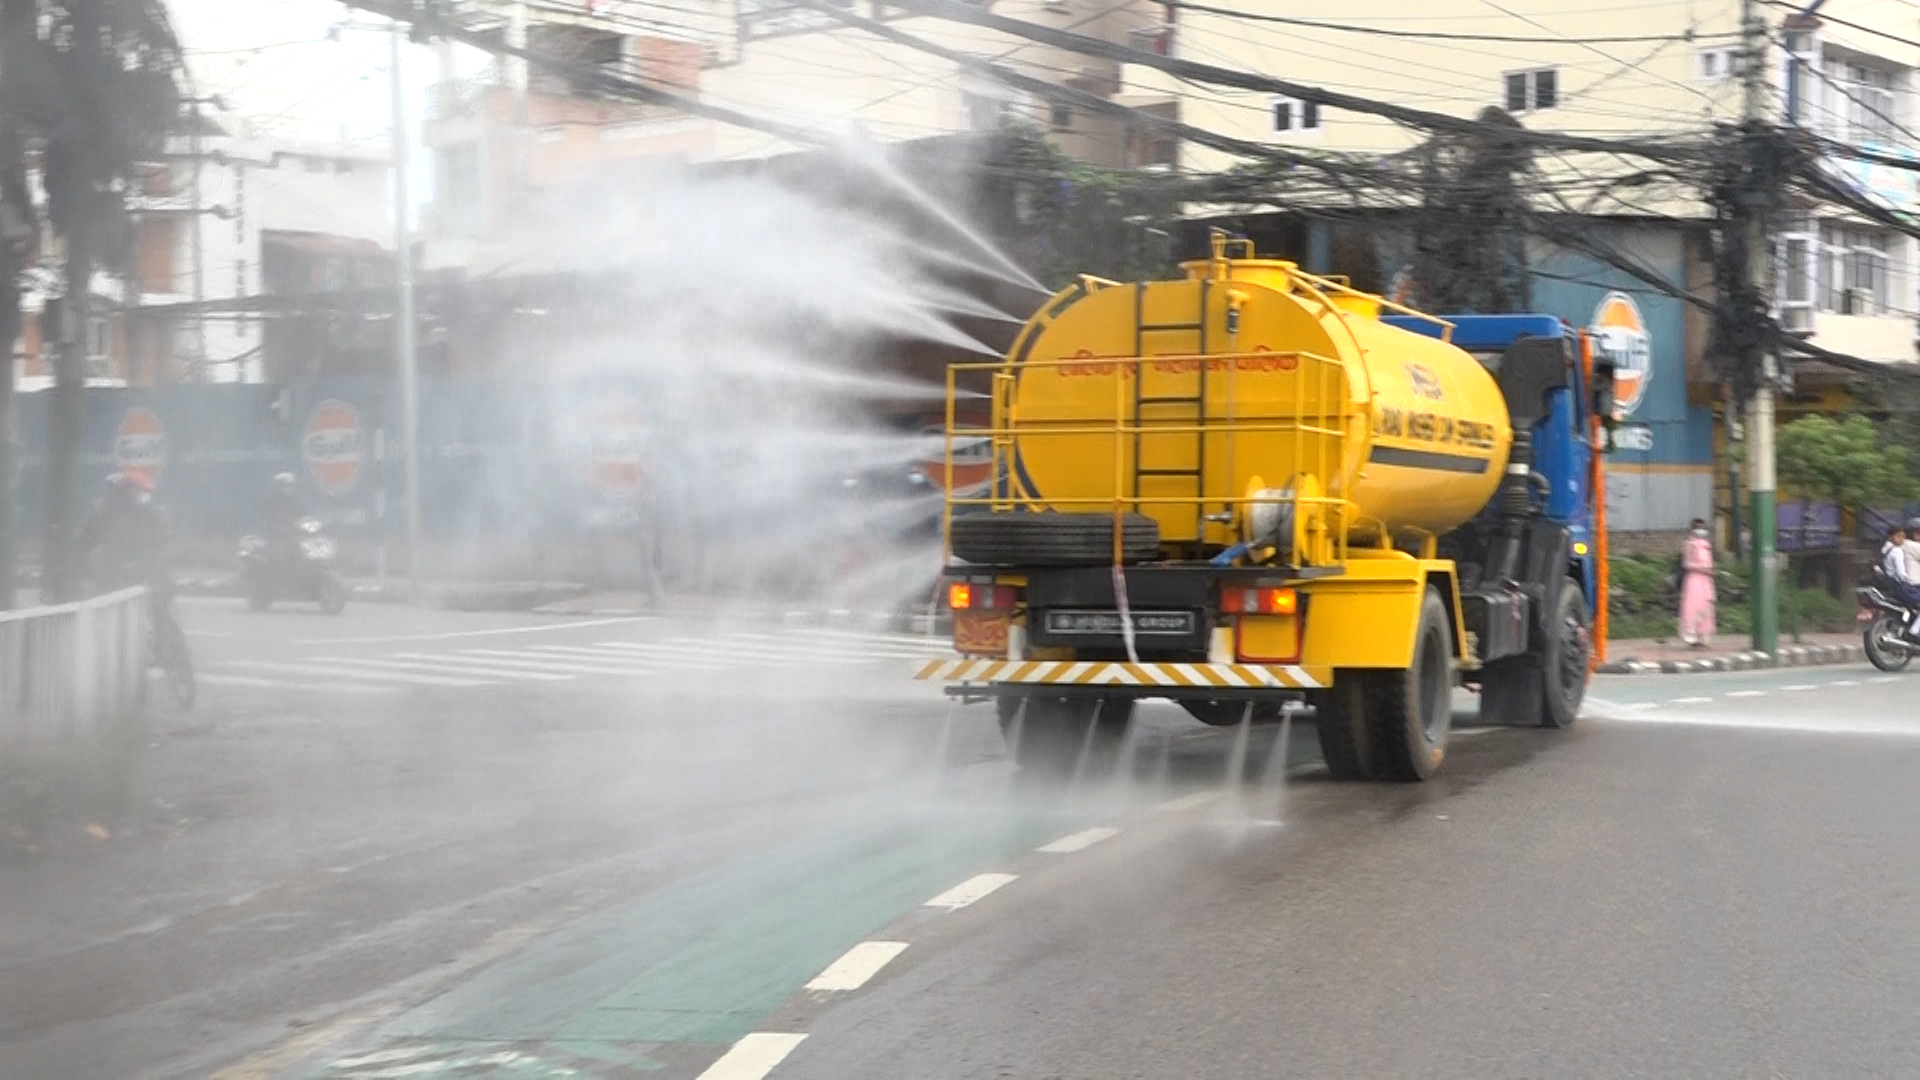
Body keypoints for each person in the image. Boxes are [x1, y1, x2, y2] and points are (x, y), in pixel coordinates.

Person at [77, 472, 168, 594]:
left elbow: (157, 542)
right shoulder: (107, 513)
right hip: (111, 570)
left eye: (148, 494)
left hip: (139, 568)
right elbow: (87, 540)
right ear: (129, 492)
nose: (146, 497)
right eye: (142, 493)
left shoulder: (150, 515)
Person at [1677, 517, 1716, 649]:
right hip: (1694, 578)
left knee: (1707, 605)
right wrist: (1702, 569)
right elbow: (1687, 563)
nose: (1701, 530)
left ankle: (1702, 637)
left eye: (1703, 528)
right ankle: (1692, 636)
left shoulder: (1706, 544)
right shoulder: (1690, 543)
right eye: (1698, 528)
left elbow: (1709, 561)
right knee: (1694, 606)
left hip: (1706, 579)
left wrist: (1710, 570)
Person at [1879, 524, 1920, 640]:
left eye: (1903, 537)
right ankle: (1914, 632)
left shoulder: (1886, 549)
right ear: (1890, 537)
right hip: (1901, 586)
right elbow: (1901, 572)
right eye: (1898, 536)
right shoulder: (1897, 551)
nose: (1901, 539)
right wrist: (1908, 581)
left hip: (1892, 584)